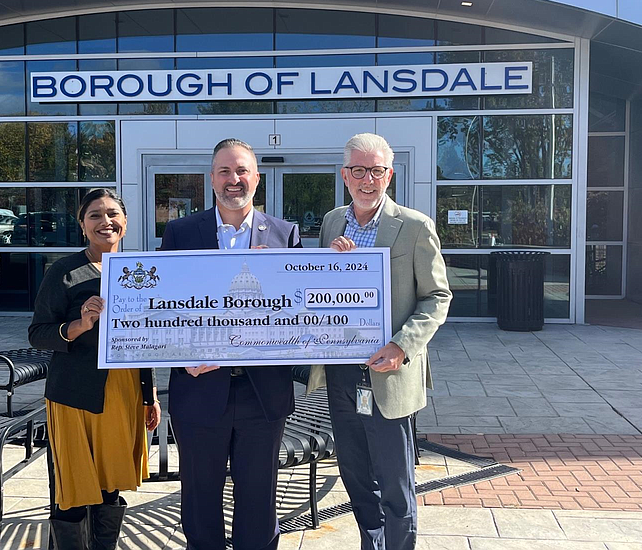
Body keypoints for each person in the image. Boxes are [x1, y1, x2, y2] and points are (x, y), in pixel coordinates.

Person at [308, 133, 452, 550]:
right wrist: (328, 265)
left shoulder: (414, 226)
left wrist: (403, 345)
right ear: (344, 175)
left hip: (388, 374)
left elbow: (437, 297)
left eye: (376, 170)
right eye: (358, 170)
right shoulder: (332, 223)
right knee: (353, 473)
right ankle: (371, 542)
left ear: (389, 174)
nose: (367, 180)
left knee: (395, 481)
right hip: (341, 373)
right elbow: (322, 291)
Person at [160, 138, 301, 550]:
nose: (234, 179)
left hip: (263, 393)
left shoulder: (283, 233)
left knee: (259, 499)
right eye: (225, 171)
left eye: (242, 171)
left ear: (256, 178)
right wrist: (182, 354)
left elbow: (298, 311)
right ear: (212, 178)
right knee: (200, 498)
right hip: (200, 387)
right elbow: (165, 308)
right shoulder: (181, 231)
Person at [29, 188, 161, 550]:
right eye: (95, 215)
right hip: (74, 392)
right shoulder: (64, 271)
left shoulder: (141, 272)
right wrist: (79, 324)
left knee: (109, 485)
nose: (106, 221)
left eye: (113, 213)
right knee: (72, 490)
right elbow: (38, 333)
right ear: (83, 225)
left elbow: (145, 336)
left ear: (126, 221)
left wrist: (149, 395)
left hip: (124, 392)